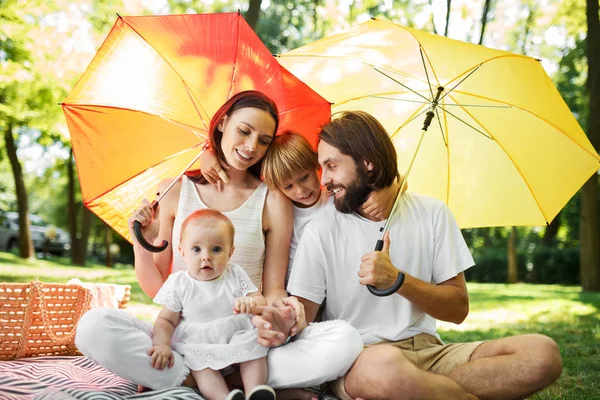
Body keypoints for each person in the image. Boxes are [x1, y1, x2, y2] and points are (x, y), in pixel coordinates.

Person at [75, 91, 363, 395]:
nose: (252, 146)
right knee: (93, 326)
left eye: (264, 140)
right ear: (223, 122)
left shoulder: (273, 199)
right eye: (244, 131)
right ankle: (226, 385)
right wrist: (139, 243)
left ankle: (214, 385)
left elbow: (273, 288)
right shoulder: (175, 190)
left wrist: (282, 312)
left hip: (249, 342)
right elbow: (158, 289)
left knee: (345, 340)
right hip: (186, 340)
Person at [286, 111, 563, 400]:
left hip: (430, 354)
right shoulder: (320, 230)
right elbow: (302, 318)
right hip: (362, 359)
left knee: (542, 354)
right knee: (382, 367)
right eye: (322, 168)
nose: (325, 180)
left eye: (331, 166)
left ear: (367, 163)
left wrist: (398, 280)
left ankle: (420, 390)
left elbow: (457, 310)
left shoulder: (432, 213)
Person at [149, 209, 278, 400]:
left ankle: (256, 390)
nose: (206, 256)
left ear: (230, 252)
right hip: (199, 341)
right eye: (196, 249)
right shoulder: (179, 283)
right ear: (182, 251)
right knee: (202, 368)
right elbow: (165, 320)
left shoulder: (235, 274)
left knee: (253, 348)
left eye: (216, 249)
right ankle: (224, 397)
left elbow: (260, 299)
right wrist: (162, 344)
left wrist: (251, 303)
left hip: (235, 334)